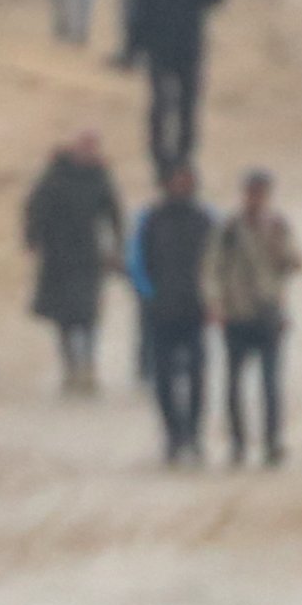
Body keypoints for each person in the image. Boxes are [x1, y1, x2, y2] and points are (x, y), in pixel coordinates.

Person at [23, 131, 125, 394]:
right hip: (57, 256)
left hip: (88, 256)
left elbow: (114, 213)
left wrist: (116, 247)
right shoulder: (55, 175)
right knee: (64, 317)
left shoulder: (99, 176)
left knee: (89, 314)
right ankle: (70, 368)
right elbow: (35, 207)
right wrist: (33, 239)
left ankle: (89, 366)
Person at [130, 162, 214, 466]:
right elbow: (137, 262)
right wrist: (149, 296)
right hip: (161, 313)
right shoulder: (150, 220)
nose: (181, 186)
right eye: (176, 180)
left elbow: (216, 264)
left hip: (195, 311)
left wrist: (212, 299)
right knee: (163, 379)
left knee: (196, 377)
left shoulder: (205, 219)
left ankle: (193, 434)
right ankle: (173, 436)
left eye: (186, 180)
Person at [127, 0, 220, 180]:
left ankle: (174, 159)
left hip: (174, 50)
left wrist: (132, 49)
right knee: (173, 107)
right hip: (176, 50)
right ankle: (172, 159)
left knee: (170, 106)